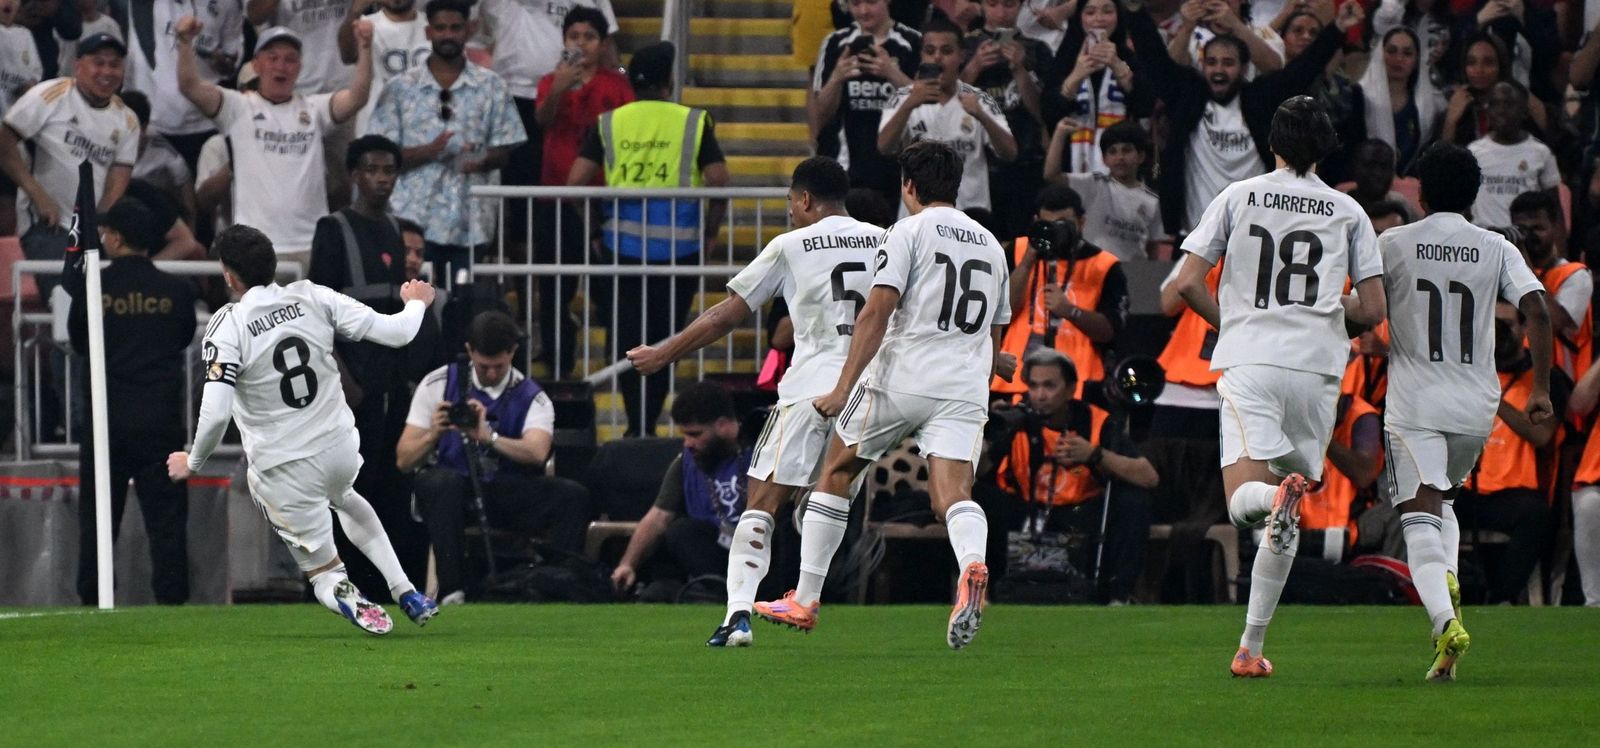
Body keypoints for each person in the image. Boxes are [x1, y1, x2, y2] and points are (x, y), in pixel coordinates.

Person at [753, 140, 1016, 650]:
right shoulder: (990, 243)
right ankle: (972, 567)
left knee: (837, 471)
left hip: (902, 376)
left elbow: (875, 313)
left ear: (910, 187)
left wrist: (842, 386)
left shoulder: (906, 231)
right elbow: (994, 332)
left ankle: (805, 599)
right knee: (953, 496)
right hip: (964, 383)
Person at [626, 157, 883, 647]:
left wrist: (666, 352)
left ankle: (737, 615)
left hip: (811, 388)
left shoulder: (791, 245)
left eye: (790, 203)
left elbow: (728, 315)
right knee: (830, 495)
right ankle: (805, 596)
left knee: (761, 503)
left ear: (804, 200)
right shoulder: (887, 239)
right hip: (871, 393)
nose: (790, 213)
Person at [1172, 96, 1386, 677]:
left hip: (1253, 363)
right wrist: (1321, 307)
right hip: (1318, 373)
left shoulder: (1238, 196)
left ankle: (1275, 495)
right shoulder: (1350, 211)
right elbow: (1372, 308)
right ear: (1325, 149)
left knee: (1248, 504)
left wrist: (1236, 323)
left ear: (1272, 143)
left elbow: (1187, 284)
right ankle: (1251, 647)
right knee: (1288, 509)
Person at [166, 224, 441, 635]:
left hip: (282, 467)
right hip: (338, 448)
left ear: (229, 276)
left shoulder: (229, 324)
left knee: (324, 571)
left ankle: (342, 588)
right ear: (273, 264)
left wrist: (194, 460)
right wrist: (415, 302)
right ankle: (406, 591)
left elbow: (217, 411)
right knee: (345, 498)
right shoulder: (312, 295)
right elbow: (398, 333)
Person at [1377, 142, 1551, 680]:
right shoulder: (1494, 245)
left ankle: (1443, 621)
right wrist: (1540, 389)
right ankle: (1445, 654)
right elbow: (1538, 310)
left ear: (1421, 193)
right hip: (1477, 404)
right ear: (1475, 196)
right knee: (1443, 502)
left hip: (1416, 400)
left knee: (1416, 513)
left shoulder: (1394, 243)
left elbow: (1363, 307)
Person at [566, 41, 730, 437]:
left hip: (620, 252)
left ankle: (636, 426)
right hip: (680, 253)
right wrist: (709, 232)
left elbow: (574, 184)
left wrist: (594, 229)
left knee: (627, 343)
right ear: (668, 81)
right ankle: (648, 424)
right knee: (666, 341)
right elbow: (719, 182)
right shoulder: (693, 120)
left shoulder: (609, 122)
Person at [395, 311, 591, 605]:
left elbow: (537, 452)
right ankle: (452, 591)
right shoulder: (437, 383)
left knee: (572, 496)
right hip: (454, 490)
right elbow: (403, 460)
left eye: (499, 366)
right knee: (438, 482)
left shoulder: (532, 396)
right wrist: (433, 434)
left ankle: (556, 585)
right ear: (470, 350)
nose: (490, 374)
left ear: (513, 352)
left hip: (506, 489)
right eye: (483, 366)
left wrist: (489, 438)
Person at [307, 133, 428, 593]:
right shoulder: (334, 228)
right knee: (345, 490)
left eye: (389, 171)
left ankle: (385, 588)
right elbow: (314, 312)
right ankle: (337, 585)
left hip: (391, 384)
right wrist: (341, 377)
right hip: (352, 385)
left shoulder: (397, 231)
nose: (382, 180)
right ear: (355, 175)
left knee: (388, 488)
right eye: (372, 171)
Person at [1128, 0, 1362, 235]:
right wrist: (1134, 11)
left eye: (1228, 63)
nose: (1218, 70)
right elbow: (1153, 58)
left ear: (1242, 68)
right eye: (1211, 62)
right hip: (1195, 237)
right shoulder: (1188, 98)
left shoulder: (1259, 100)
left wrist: (1338, 27)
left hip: (1253, 239)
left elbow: (1303, 69)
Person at [67, 197, 197, 605]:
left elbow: (78, 342)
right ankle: (173, 602)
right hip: (160, 420)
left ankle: (94, 599)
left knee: (99, 519)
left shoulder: (93, 289)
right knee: (167, 520)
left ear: (116, 238)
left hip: (107, 420)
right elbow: (182, 338)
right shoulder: (177, 291)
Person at [174, 17, 375, 272]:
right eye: (272, 57)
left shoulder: (315, 109)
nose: (281, 66)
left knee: (314, 313)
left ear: (299, 67)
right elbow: (190, 86)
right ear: (257, 64)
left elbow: (357, 97)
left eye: (290, 59)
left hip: (311, 244)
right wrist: (184, 43)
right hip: (255, 247)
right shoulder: (238, 108)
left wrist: (365, 48)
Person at [369, 0, 526, 284]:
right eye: (440, 28)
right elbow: (382, 158)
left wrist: (478, 158)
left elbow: (505, 150)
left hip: (472, 223)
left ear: (469, 30)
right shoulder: (400, 88)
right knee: (415, 314)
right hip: (412, 226)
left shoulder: (493, 86)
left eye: (455, 28)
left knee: (464, 314)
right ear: (428, 33)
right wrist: (430, 151)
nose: (448, 35)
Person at [991, 349, 1157, 603]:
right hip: (1026, 509)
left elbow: (1149, 477)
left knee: (1133, 501)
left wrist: (1095, 454)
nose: (1040, 395)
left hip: (1082, 512)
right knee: (978, 501)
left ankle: (1117, 597)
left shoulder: (1095, 420)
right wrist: (985, 426)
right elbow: (981, 472)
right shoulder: (1015, 419)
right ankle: (983, 593)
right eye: (1033, 386)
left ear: (1070, 389)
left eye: (1049, 386)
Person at [532, 5, 633, 379]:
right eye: (574, 36)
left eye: (589, 37)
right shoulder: (549, 81)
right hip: (555, 199)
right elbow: (542, 120)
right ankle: (559, 367)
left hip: (604, 200)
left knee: (609, 288)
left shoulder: (617, 84)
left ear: (603, 43)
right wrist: (560, 86)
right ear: (563, 40)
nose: (580, 44)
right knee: (555, 287)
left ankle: (617, 364)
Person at [1, 33, 139, 289]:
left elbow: (117, 181)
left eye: (114, 64)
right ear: (78, 66)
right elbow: (4, 141)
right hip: (46, 226)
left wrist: (100, 225)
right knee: (64, 295)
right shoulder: (51, 95)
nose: (107, 71)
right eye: (98, 62)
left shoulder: (127, 120)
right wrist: (37, 195)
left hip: (92, 232)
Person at [1454, 299, 1560, 606]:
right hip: (1466, 487)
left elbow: (1541, 434)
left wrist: (1493, 397)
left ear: (1525, 329)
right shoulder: (1465, 370)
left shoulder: (1541, 378)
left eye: (1507, 325)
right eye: (1493, 326)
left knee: (1535, 514)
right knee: (1423, 500)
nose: (1499, 334)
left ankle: (1501, 598)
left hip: (1513, 494)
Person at [608, 383, 751, 602]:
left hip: (758, 548)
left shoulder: (760, 450)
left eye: (694, 434)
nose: (688, 443)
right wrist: (627, 565)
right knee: (681, 531)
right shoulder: (687, 460)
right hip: (716, 549)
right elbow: (657, 517)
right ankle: (716, 590)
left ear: (722, 425)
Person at [992, 183, 1126, 400]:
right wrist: (1027, 261)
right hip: (1013, 380)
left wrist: (1071, 311)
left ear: (1081, 222)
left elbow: (1110, 331)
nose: (1056, 230)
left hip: (1077, 385)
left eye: (1064, 223)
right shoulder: (1017, 251)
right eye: (1048, 224)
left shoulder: (1104, 264)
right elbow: (1000, 314)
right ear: (1036, 222)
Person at [876, 17, 1017, 219]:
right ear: (922, 55)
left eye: (946, 51)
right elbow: (884, 147)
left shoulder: (980, 99)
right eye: (930, 51)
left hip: (970, 216)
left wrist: (982, 116)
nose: (937, 58)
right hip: (916, 218)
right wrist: (909, 105)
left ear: (961, 56)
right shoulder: (902, 98)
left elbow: (1009, 153)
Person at [809, 0, 921, 209]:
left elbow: (931, 104)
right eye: (855, 3)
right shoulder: (835, 43)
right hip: (845, 172)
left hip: (899, 171)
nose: (863, 11)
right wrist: (836, 79)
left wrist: (892, 73)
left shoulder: (913, 42)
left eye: (870, 2)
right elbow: (820, 116)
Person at [960, 0, 1051, 237]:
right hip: (976, 163)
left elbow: (1043, 113)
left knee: (1020, 240)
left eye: (1009, 5)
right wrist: (974, 67)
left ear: (1021, 6)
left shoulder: (1037, 49)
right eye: (993, 4)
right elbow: (946, 103)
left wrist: (1020, 69)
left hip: (1026, 159)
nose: (1001, 13)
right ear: (982, 6)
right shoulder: (964, 46)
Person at [122, 0, 244, 172]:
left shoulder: (229, 4)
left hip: (205, 123)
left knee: (202, 194)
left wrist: (219, 59)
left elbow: (231, 60)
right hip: (154, 123)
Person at [1052, 0, 1152, 177]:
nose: (1099, 19)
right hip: (1074, 166)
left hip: (1124, 168)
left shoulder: (1131, 57)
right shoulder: (1066, 58)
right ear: (1079, 18)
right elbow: (1050, 113)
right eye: (1090, 12)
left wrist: (1117, 65)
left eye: (1107, 11)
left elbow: (1145, 105)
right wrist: (1076, 75)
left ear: (1118, 16)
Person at [1044, 119, 1165, 261]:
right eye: (1112, 152)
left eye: (1126, 150)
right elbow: (1051, 175)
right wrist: (1060, 133)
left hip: (1133, 274)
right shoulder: (1093, 184)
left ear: (1141, 156)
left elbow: (1153, 248)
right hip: (1093, 271)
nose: (1120, 157)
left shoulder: (1152, 201)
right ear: (1104, 159)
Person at [1466, 82, 1558, 229]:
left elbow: (1555, 211)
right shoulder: (1473, 152)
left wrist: (1559, 251)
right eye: (1495, 104)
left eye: (1509, 104)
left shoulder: (1541, 153)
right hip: (1483, 239)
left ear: (1524, 111)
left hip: (1525, 241)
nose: (1501, 110)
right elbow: (1464, 206)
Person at [1358, 27, 1442, 176]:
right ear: (1380, 54)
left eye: (1407, 53)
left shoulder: (1427, 107)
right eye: (1392, 51)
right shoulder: (1360, 97)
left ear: (1416, 60)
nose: (1398, 59)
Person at [340, 0, 430, 135]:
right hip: (376, 131)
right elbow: (347, 57)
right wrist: (355, 12)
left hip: (426, 128)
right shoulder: (365, 24)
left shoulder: (435, 25)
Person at [0, 0, 42, 235]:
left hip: (11, 141)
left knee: (8, 214)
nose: (8, 3)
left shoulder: (24, 36)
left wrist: (26, 89)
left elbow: (33, 84)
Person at [1167, 0, 1286, 78]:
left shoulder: (1263, 33)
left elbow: (1274, 70)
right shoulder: (1189, 36)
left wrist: (1235, 25)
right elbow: (1171, 74)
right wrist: (1186, 28)